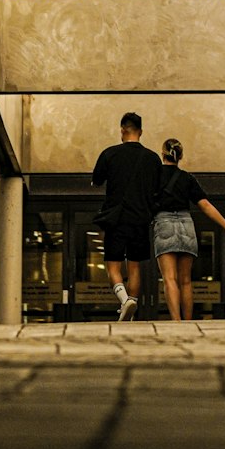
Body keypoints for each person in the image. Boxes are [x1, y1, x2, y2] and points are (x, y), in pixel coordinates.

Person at [153, 138, 225, 321]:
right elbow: (205, 205)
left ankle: (176, 321)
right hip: (186, 223)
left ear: (163, 154)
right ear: (180, 156)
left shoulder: (154, 176)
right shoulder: (187, 178)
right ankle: (188, 322)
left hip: (164, 222)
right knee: (186, 280)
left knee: (170, 279)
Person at [91, 111, 162, 321]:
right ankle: (130, 312)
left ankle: (124, 301)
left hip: (116, 217)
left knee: (112, 266)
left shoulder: (110, 154)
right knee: (135, 267)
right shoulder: (152, 158)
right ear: (141, 131)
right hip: (140, 219)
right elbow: (158, 189)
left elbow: (96, 180)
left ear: (122, 129)